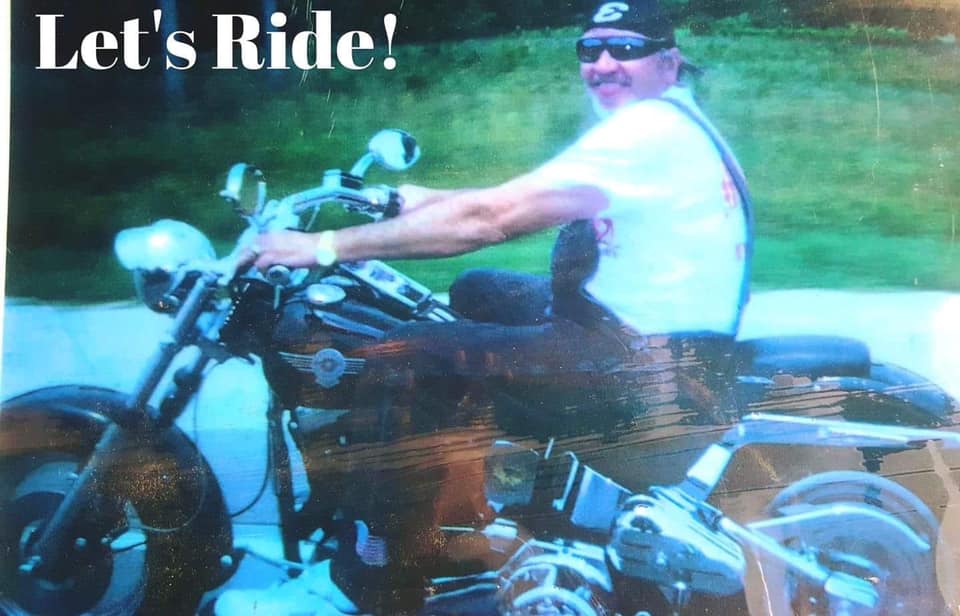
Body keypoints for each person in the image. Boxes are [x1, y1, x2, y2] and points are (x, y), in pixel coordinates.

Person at [215, 1, 752, 614]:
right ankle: (463, 497)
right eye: (590, 49)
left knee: (408, 356)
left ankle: (364, 582)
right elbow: (524, 198)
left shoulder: (644, 131)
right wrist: (405, 203)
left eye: (625, 49)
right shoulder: (671, 122)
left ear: (668, 61)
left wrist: (320, 246)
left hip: (636, 362)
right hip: (653, 338)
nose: (604, 64)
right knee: (476, 290)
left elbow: (490, 219)